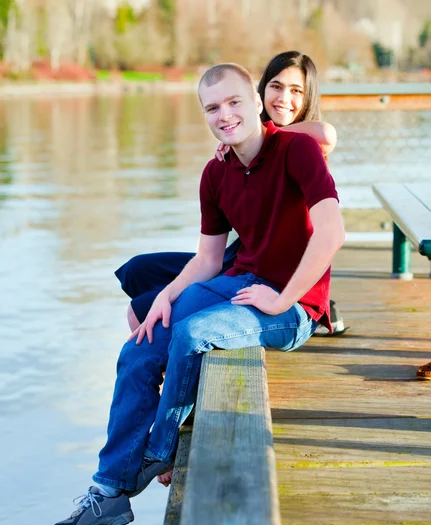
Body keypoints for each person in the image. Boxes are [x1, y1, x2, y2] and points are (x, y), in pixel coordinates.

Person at [50, 62, 344, 525]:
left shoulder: (298, 150)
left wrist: (282, 298)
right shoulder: (215, 172)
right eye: (212, 108)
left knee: (194, 331)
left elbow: (332, 232)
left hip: (293, 308)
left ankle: (159, 450)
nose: (224, 115)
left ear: (255, 102)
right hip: (239, 279)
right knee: (142, 344)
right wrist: (165, 296)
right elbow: (208, 259)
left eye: (233, 102)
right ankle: (106, 493)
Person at [116, 51, 346, 344]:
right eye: (276, 86)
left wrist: (259, 131)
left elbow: (326, 133)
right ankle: (162, 352)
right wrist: (239, 134)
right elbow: (208, 254)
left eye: (296, 90)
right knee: (138, 271)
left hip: (273, 270)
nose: (283, 98)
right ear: (261, 91)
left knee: (141, 310)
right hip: (240, 257)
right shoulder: (234, 142)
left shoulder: (305, 145)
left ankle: (171, 353)